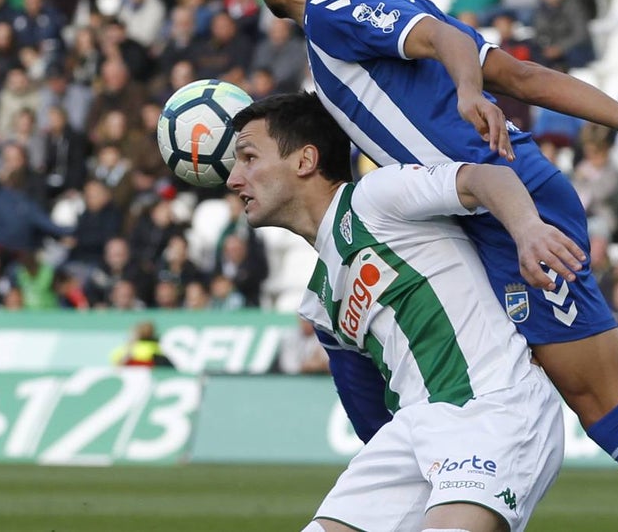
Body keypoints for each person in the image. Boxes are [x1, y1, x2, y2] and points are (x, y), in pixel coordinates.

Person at [225, 0, 618, 531]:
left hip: (508, 205)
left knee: (608, 407)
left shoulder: (330, 6)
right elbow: (520, 76)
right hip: (478, 208)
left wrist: (467, 92)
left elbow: (443, 41)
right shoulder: (367, 11)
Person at [227, 93, 566, 532]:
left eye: (249, 158)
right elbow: (369, 415)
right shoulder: (320, 298)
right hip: (411, 429)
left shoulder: (374, 197)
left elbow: (488, 178)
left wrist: (528, 230)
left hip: (493, 404)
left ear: (305, 160)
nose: (233, 179)